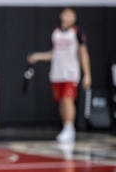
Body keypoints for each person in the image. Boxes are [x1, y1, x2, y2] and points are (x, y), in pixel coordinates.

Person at [28, 8, 91, 143]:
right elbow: (54, 54)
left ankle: (70, 128)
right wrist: (38, 56)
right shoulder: (56, 32)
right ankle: (65, 127)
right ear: (62, 16)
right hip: (57, 73)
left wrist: (87, 74)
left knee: (68, 100)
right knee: (62, 102)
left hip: (70, 73)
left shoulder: (76, 32)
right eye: (67, 14)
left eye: (72, 16)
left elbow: (83, 53)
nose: (70, 17)